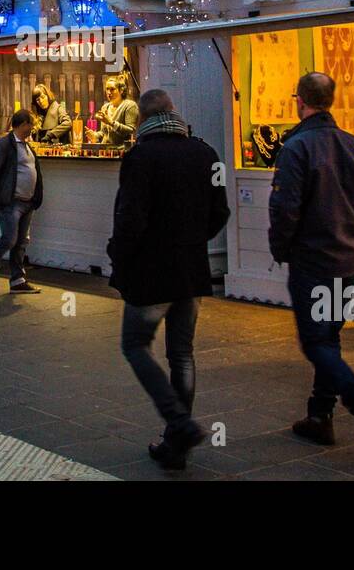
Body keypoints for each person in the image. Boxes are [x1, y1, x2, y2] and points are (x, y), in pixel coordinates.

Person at [269, 72, 354, 465]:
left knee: (316, 342)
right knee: (329, 336)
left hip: (312, 259)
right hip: (347, 260)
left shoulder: (297, 148)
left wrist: (282, 247)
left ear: (300, 101)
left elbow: (285, 207)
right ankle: (319, 414)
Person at [109, 89, 230, 470]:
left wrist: (118, 254)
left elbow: (130, 218)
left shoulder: (140, 157)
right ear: (174, 112)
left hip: (151, 270)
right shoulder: (205, 153)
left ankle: (178, 423)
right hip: (191, 268)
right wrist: (195, 239)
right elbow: (220, 211)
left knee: (135, 344)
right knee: (182, 354)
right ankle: (176, 444)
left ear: (143, 119)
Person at [0, 109, 42, 294]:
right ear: (23, 125)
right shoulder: (5, 144)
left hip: (27, 202)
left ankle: (17, 279)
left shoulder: (28, 147)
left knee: (21, 241)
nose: (33, 128)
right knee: (9, 239)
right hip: (11, 201)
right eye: (31, 124)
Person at [96, 76, 139, 146]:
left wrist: (111, 123)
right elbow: (104, 132)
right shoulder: (105, 107)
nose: (109, 92)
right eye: (107, 89)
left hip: (123, 152)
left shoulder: (130, 105)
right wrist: (95, 135)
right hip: (106, 152)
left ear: (121, 90)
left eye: (112, 89)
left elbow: (131, 131)